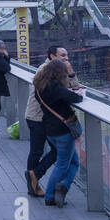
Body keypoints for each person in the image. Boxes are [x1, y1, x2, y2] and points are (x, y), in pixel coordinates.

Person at [23, 45, 78, 197]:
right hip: (38, 118)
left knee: (51, 151)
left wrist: (71, 73)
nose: (66, 58)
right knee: (38, 152)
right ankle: (34, 181)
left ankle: (34, 178)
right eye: (62, 55)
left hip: (45, 118)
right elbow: (67, 92)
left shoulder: (58, 69)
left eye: (67, 55)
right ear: (52, 56)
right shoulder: (47, 70)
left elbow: (73, 87)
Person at [33, 57, 84, 207]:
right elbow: (76, 98)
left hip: (50, 130)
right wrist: (79, 92)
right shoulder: (55, 88)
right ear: (59, 73)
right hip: (63, 132)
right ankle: (50, 196)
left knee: (74, 161)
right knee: (62, 164)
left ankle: (62, 186)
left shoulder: (40, 86)